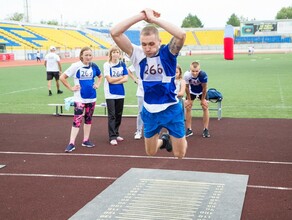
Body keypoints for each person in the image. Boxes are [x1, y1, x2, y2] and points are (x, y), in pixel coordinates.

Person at [110, 8, 188, 159]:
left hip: (171, 109)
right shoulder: (137, 55)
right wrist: (141, 16)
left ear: (159, 42)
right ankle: (165, 141)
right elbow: (115, 32)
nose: (147, 48)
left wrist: (154, 19)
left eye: (151, 44)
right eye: (144, 44)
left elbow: (181, 35)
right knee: (150, 152)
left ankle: (177, 137)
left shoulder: (168, 53)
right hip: (150, 111)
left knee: (180, 155)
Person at [59, 46, 103, 153]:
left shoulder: (94, 66)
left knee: (88, 119)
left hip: (92, 97)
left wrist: (97, 84)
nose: (88, 57)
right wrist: (71, 88)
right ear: (81, 56)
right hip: (79, 99)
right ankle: (71, 143)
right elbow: (62, 77)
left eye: (90, 55)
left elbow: (100, 76)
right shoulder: (76, 66)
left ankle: (86, 140)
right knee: (77, 120)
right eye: (86, 55)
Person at [103, 46, 128, 146]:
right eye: (113, 52)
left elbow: (126, 79)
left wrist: (116, 79)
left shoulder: (122, 64)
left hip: (120, 93)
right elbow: (109, 80)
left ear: (119, 54)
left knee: (118, 114)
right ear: (111, 54)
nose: (115, 54)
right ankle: (112, 136)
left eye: (117, 52)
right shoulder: (107, 65)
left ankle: (116, 133)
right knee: (112, 115)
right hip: (110, 93)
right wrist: (120, 78)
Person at [184, 61, 210, 138]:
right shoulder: (187, 75)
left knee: (205, 107)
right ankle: (189, 129)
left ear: (199, 70)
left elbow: (204, 88)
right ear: (190, 70)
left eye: (196, 71)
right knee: (188, 107)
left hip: (202, 91)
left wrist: (202, 100)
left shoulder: (203, 75)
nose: (195, 73)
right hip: (192, 91)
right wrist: (188, 99)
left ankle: (206, 129)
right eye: (193, 71)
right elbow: (186, 87)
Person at [127, 64, 144, 140]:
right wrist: (135, 79)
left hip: (153, 91)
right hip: (141, 91)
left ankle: (152, 131)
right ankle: (139, 130)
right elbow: (129, 70)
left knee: (153, 111)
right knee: (140, 112)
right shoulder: (139, 62)